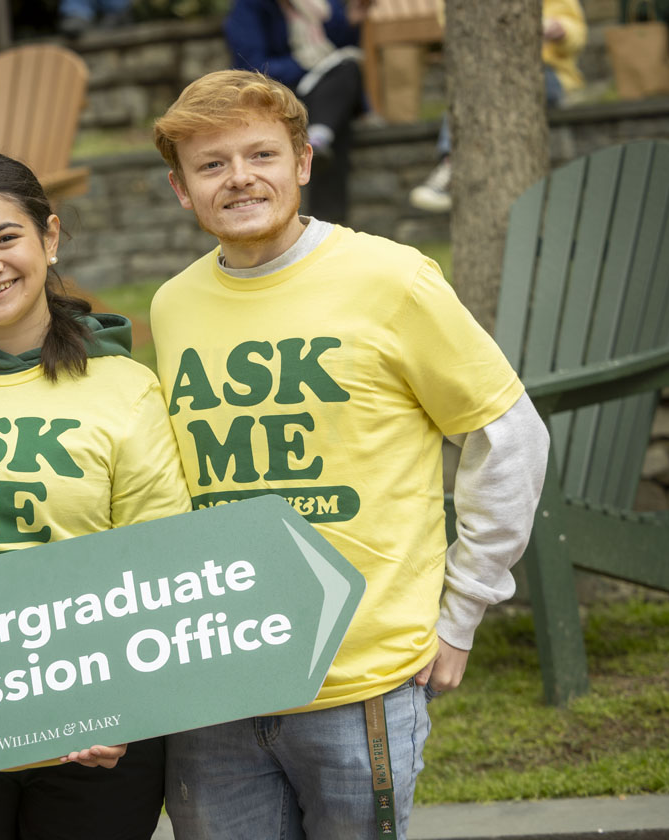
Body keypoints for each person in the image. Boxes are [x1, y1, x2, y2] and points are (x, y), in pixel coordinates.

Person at [150, 70, 550, 838]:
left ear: (302, 162)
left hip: (359, 680)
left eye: (261, 154)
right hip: (216, 684)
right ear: (181, 188)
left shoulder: (392, 279)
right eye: (211, 164)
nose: (240, 178)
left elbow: (509, 437)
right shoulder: (173, 305)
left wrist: (463, 611)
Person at [0, 151, 193, 839]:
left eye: (5, 238)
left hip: (92, 729)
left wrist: (125, 708)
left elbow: (164, 566)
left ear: (49, 238)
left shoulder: (126, 388)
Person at [409, 0, 587, 212]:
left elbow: (577, 32)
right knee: (476, 86)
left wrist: (560, 30)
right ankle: (452, 164)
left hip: (546, 72)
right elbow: (453, 26)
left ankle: (452, 165)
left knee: (482, 85)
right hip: (482, 75)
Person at [224, 0, 373, 224]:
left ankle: (320, 137)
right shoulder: (248, 7)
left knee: (348, 68)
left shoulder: (322, 4)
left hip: (328, 92)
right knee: (331, 126)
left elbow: (341, 47)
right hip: (281, 93)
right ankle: (329, 221)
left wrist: (351, 21)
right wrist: (304, 64)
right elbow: (251, 67)